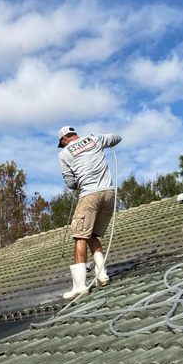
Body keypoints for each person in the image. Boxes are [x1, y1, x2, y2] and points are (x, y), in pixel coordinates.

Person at [57, 125, 122, 300]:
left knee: (80, 237)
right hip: (109, 194)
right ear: (75, 134)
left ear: (64, 140)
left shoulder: (64, 154)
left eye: (62, 143)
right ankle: (102, 275)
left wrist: (79, 180)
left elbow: (70, 183)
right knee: (92, 234)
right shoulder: (95, 138)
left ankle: (80, 286)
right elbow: (117, 137)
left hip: (89, 195)